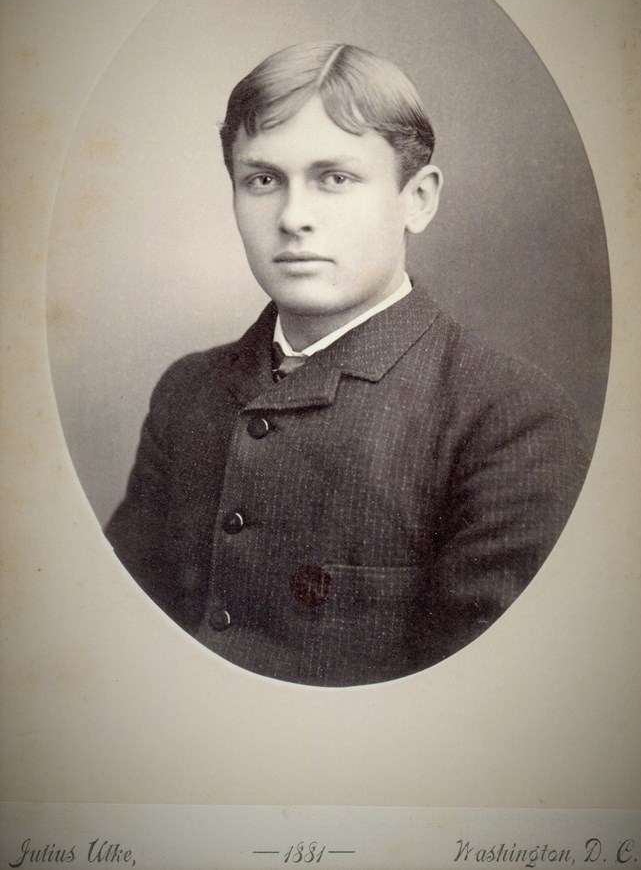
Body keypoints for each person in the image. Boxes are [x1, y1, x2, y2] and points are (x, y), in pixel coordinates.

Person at [105, 42, 588, 687]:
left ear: (417, 198)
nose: (293, 218)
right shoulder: (187, 392)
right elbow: (118, 643)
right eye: (263, 180)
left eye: (336, 178)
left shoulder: (509, 417)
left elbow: (484, 701)